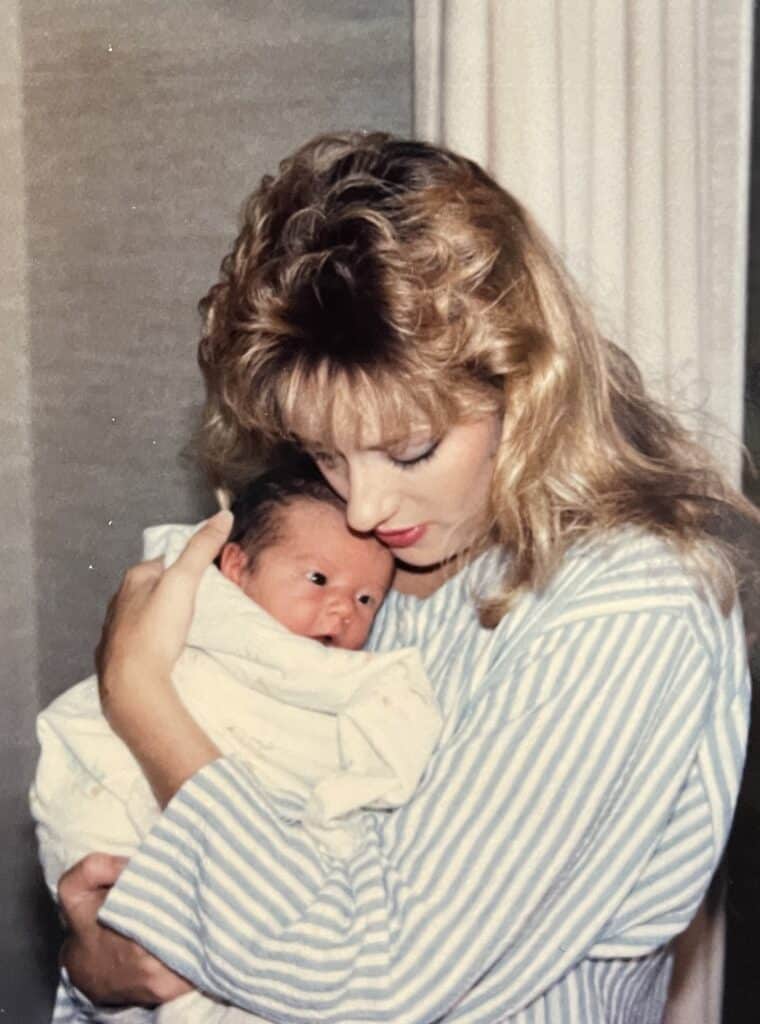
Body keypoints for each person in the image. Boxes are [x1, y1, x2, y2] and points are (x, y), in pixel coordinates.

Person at [55, 132, 756, 1023]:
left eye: (411, 449)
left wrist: (139, 693)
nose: (364, 507)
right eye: (325, 453)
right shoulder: (367, 553)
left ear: (528, 383)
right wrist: (101, 970)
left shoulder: (631, 603)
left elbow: (375, 972)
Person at [36, 462, 441, 1023]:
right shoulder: (203, 613)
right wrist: (89, 969)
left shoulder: (365, 668)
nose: (344, 609)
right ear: (235, 567)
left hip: (279, 912)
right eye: (319, 580)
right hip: (135, 832)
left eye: (368, 599)